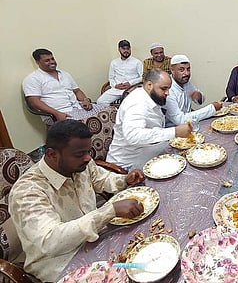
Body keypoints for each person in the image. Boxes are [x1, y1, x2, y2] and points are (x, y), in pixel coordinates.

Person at [8, 120, 146, 282]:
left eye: (88, 151)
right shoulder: (28, 192)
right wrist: (109, 211)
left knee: (143, 262)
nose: (88, 158)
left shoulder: (79, 164)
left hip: (95, 240)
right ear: (52, 154)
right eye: (80, 154)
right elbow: (50, 241)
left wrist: (125, 180)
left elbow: (102, 179)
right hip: (60, 262)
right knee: (130, 273)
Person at [106, 68, 192, 170]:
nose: (167, 93)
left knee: (186, 154)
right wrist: (174, 132)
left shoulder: (149, 95)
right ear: (149, 85)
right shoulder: (137, 103)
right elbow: (133, 136)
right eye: (164, 89)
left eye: (169, 89)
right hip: (126, 165)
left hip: (145, 152)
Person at [23, 48, 106, 122]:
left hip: (78, 107)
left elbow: (77, 91)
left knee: (110, 111)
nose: (52, 62)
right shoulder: (33, 79)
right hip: (58, 113)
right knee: (84, 123)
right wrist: (56, 113)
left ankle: (107, 139)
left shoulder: (65, 74)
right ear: (38, 62)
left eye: (52, 59)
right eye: (47, 60)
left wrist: (85, 100)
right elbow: (34, 101)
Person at [165, 54, 222, 127]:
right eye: (181, 70)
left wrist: (198, 96)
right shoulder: (167, 89)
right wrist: (212, 108)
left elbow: (200, 99)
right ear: (172, 70)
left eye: (188, 69)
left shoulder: (186, 82)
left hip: (189, 124)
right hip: (174, 130)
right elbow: (179, 120)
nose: (186, 73)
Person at [97, 40, 143, 105]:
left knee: (129, 104)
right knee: (100, 101)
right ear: (119, 49)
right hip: (116, 89)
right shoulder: (114, 62)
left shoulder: (137, 62)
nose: (126, 51)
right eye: (123, 49)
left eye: (128, 49)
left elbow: (142, 77)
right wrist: (115, 85)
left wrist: (130, 83)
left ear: (130, 49)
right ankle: (114, 113)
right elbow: (111, 78)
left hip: (131, 88)